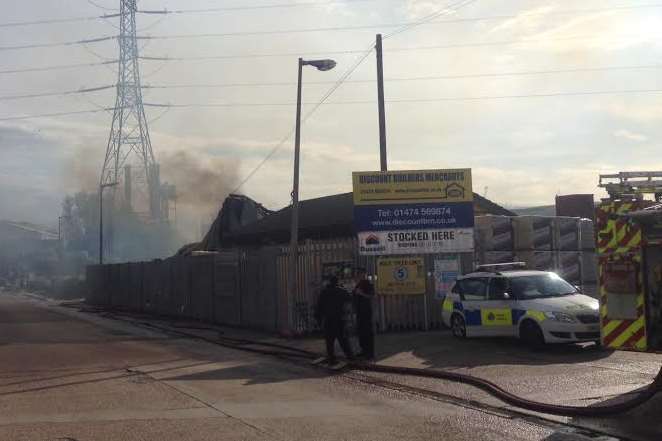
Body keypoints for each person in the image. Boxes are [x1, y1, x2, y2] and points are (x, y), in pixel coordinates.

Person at [315, 275, 354, 364]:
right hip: (340, 319)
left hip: (328, 319)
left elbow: (319, 307)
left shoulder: (324, 292)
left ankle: (331, 358)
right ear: (337, 282)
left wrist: (318, 319)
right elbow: (350, 299)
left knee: (329, 341)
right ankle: (350, 357)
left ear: (329, 282)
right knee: (343, 340)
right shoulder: (342, 291)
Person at [353, 268, 375, 360]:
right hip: (359, 311)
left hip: (366, 312)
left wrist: (361, 294)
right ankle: (363, 350)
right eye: (358, 274)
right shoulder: (358, 284)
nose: (358, 275)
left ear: (364, 274)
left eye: (360, 274)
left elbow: (372, 296)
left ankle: (369, 353)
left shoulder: (368, 284)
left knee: (367, 332)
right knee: (361, 332)